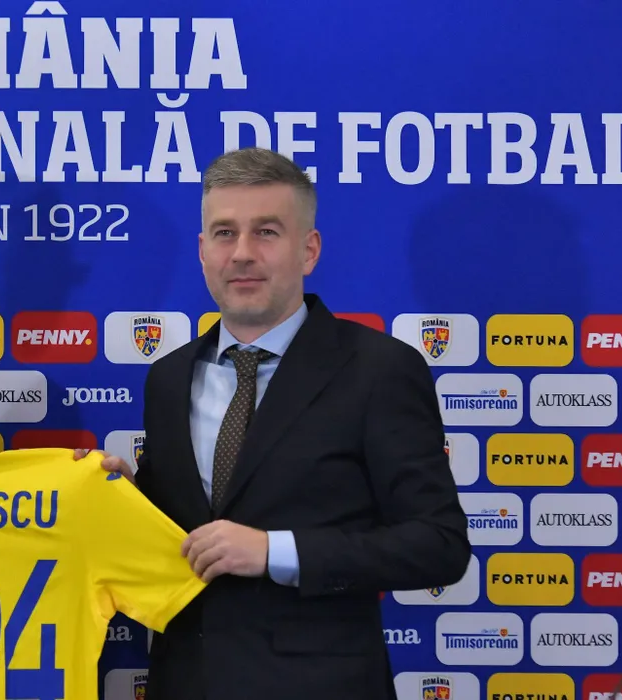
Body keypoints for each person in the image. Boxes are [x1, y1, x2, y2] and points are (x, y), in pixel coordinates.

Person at [78, 147, 470, 700]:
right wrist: (121, 500)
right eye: (224, 233)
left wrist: (273, 551)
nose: (242, 253)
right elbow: (187, 533)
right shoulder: (167, 377)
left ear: (309, 250)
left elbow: (438, 545)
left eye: (266, 232)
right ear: (202, 251)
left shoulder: (379, 370)